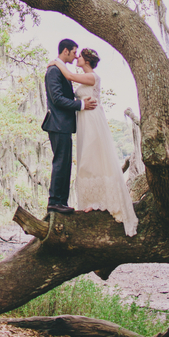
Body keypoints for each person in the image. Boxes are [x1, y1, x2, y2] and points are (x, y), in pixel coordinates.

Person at [52, 47, 138, 236]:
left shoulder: (92, 77)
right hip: (84, 119)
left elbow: (68, 75)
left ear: (87, 61)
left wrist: (56, 62)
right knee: (87, 158)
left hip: (92, 120)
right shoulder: (86, 76)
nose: (77, 58)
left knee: (94, 155)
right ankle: (91, 201)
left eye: (80, 56)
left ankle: (105, 200)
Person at [42, 38, 97, 214]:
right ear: (65, 51)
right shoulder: (53, 71)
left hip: (64, 125)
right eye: (74, 52)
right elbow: (57, 99)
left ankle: (61, 202)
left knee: (66, 164)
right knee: (60, 163)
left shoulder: (60, 70)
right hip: (57, 124)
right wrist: (81, 105)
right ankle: (54, 202)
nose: (75, 57)